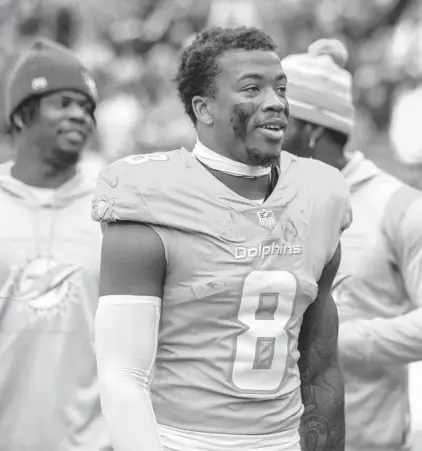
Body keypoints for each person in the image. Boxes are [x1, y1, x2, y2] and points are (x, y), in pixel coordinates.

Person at [93, 26, 352, 451]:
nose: (276, 102)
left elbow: (321, 366)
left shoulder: (319, 195)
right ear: (204, 108)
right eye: (252, 88)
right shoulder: (148, 195)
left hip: (283, 441)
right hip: (180, 441)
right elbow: (123, 376)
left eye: (281, 88)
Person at [282, 38, 422, 451]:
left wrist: (334, 339)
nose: (265, 125)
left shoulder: (400, 207)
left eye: (279, 116)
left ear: (308, 129)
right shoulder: (270, 200)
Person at [0, 39, 111, 450]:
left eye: (86, 108)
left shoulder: (112, 208)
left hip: (93, 442)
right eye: (63, 103)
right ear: (22, 114)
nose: (79, 115)